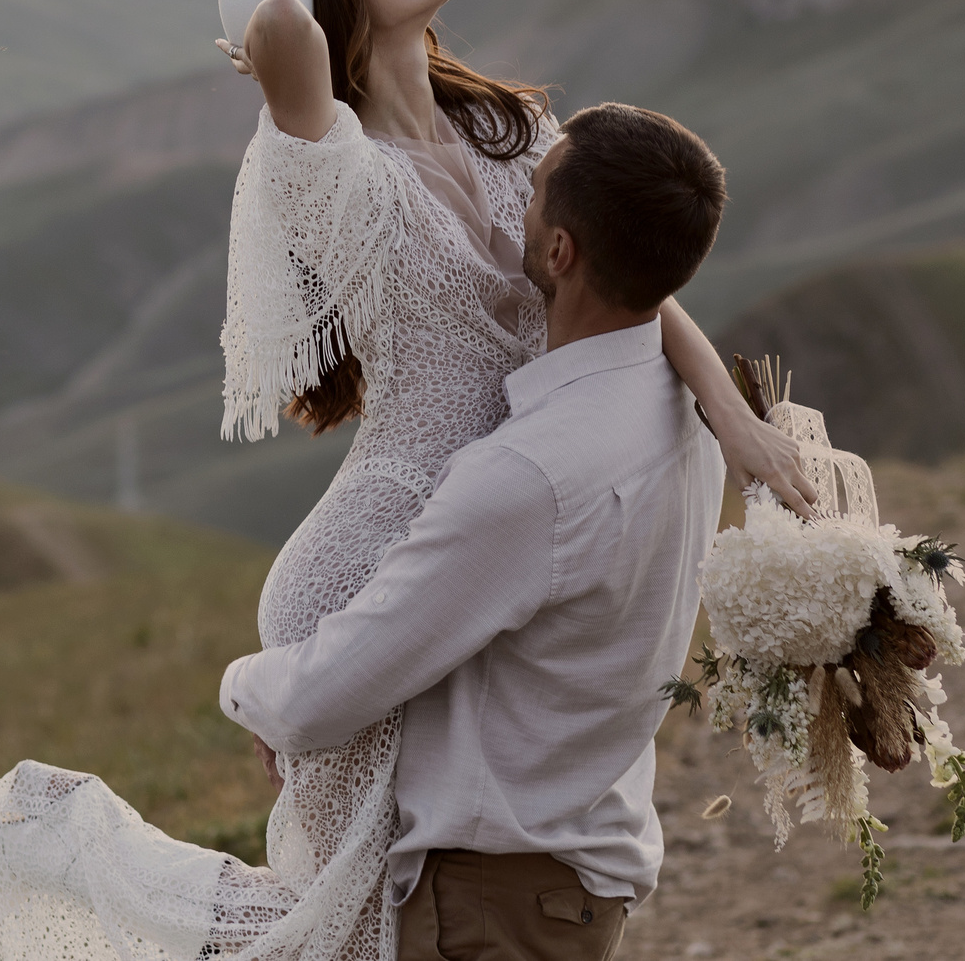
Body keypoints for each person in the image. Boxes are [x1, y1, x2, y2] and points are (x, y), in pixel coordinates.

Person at [0, 0, 810, 961]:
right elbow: (273, 35)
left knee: (383, 914)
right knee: (355, 918)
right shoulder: (334, 167)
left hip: (502, 527)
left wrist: (732, 417)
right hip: (382, 555)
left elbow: (632, 278)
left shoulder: (511, 135)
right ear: (328, 3)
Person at [222, 101, 734, 961]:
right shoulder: (687, 413)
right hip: (575, 878)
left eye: (531, 194)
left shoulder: (528, 475)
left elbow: (326, 691)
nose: (514, 211)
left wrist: (244, 684)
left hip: (491, 906)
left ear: (561, 251)